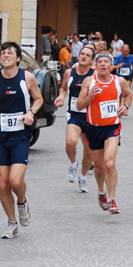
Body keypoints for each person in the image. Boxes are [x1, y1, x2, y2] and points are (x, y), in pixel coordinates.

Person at [0, 41, 44, 239]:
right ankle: (11, 222)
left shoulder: (27, 77)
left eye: (10, 53)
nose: (6, 55)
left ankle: (22, 202)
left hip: (20, 136)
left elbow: (38, 99)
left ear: (17, 59)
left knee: (15, 180)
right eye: (3, 53)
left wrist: (31, 112)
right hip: (0, 137)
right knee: (3, 183)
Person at [76, 52, 132, 214]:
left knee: (109, 163)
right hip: (93, 129)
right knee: (99, 169)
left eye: (106, 62)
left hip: (112, 128)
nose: (102, 65)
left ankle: (112, 199)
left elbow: (128, 95)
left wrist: (126, 106)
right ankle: (101, 192)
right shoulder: (89, 81)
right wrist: (89, 97)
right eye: (99, 62)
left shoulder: (119, 81)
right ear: (95, 65)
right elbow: (79, 105)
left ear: (111, 66)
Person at [54, 46, 95, 193]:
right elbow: (64, 88)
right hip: (74, 114)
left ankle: (83, 177)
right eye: (82, 54)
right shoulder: (69, 72)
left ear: (91, 60)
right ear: (78, 56)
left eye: (87, 55)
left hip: (90, 116)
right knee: (70, 142)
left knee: (89, 151)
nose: (84, 56)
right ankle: (73, 164)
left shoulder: (95, 75)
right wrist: (61, 96)